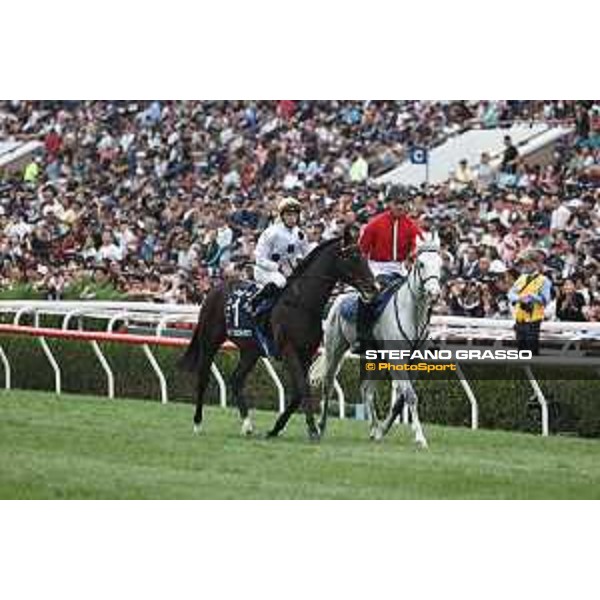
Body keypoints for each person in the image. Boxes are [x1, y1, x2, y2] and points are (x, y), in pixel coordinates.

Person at [355, 184, 423, 350]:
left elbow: (418, 246)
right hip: (377, 267)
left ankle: (419, 335)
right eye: (396, 202)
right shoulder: (374, 224)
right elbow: (361, 251)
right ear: (389, 203)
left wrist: (413, 254)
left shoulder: (412, 226)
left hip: (400, 268)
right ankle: (362, 337)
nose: (400, 206)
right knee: (370, 296)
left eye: (403, 202)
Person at [250, 197, 310, 315]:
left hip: (288, 270)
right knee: (281, 282)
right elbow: (259, 259)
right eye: (288, 215)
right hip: (266, 271)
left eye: (295, 215)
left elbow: (307, 255)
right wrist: (277, 267)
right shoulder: (271, 233)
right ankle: (259, 308)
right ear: (282, 216)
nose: (292, 218)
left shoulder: (300, 234)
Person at [508, 250, 552, 355]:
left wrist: (532, 297)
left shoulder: (544, 280)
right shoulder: (521, 278)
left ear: (535, 264)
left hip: (533, 320)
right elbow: (510, 294)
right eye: (525, 263)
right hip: (520, 319)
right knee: (520, 350)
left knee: (532, 351)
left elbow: (546, 299)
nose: (526, 265)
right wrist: (520, 298)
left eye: (529, 263)